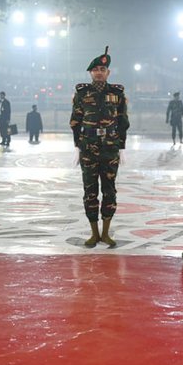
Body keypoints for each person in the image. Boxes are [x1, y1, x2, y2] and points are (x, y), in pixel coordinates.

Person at [70, 46, 130, 248]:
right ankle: (93, 233)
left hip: (110, 149)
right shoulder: (81, 92)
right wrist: (77, 146)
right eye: (95, 69)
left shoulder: (117, 93)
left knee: (110, 190)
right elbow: (75, 121)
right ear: (90, 72)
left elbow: (123, 122)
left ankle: (106, 233)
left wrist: (121, 147)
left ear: (108, 73)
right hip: (88, 149)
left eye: (102, 70)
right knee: (90, 190)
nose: (99, 72)